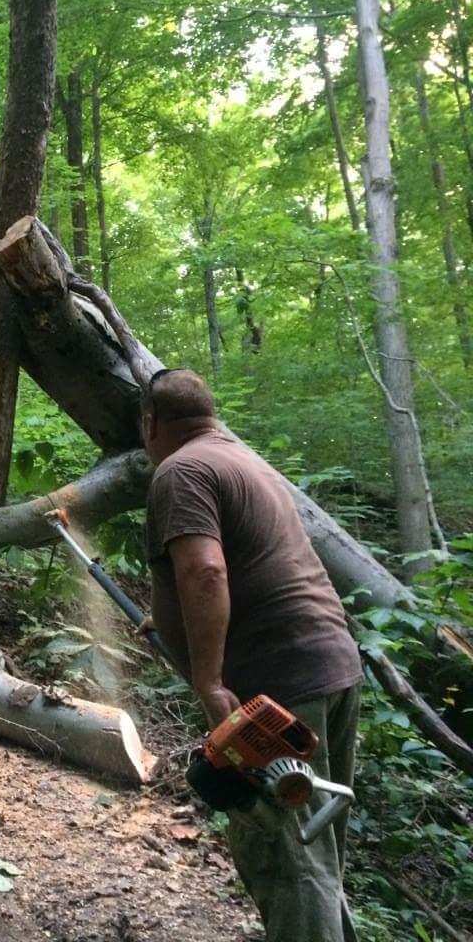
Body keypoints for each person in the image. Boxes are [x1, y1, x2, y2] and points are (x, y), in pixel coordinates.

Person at [140, 368, 364, 942]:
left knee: (286, 857)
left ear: (152, 422)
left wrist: (211, 684)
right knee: (315, 846)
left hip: (278, 686)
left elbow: (205, 568)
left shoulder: (183, 469)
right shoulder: (246, 462)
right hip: (330, 666)